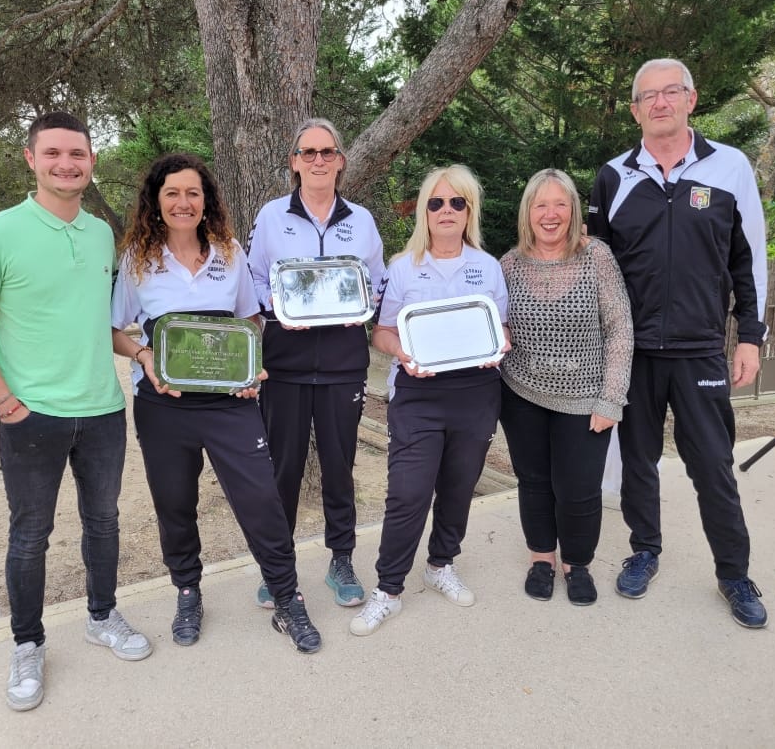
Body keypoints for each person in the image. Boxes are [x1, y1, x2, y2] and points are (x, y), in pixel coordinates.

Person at [0, 112, 151, 713]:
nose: (68, 164)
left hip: (104, 411)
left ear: (92, 162)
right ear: (30, 159)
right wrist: (7, 403)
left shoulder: (98, 237)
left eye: (79, 154)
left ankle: (102, 616)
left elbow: (103, 323)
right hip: (31, 416)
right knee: (30, 535)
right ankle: (28, 643)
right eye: (54, 153)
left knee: (104, 523)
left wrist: (143, 348)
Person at [110, 153, 322, 654]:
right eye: (172, 194)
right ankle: (187, 592)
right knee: (175, 505)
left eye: (193, 193)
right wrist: (143, 355)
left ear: (206, 202)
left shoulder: (229, 251)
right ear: (155, 202)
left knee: (261, 501)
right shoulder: (137, 259)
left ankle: (288, 598)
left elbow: (250, 321)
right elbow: (115, 331)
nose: (183, 202)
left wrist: (250, 372)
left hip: (231, 404)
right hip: (163, 408)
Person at [587, 58, 770, 628]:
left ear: (691, 100)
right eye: (649, 96)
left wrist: (751, 337)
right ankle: (645, 549)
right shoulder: (613, 177)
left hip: (699, 350)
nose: (660, 102)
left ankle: (734, 575)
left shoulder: (730, 168)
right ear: (636, 109)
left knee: (712, 465)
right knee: (638, 461)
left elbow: (749, 258)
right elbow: (596, 269)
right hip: (633, 353)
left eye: (672, 92)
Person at [350, 164, 510, 636]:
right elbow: (380, 332)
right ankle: (388, 589)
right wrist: (400, 349)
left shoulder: (488, 266)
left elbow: (500, 327)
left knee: (459, 487)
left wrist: (499, 344)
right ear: (424, 211)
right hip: (418, 393)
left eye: (456, 202)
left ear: (468, 211)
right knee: (408, 492)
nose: (446, 211)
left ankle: (441, 564)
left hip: (476, 392)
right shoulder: (402, 268)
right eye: (436, 203)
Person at [247, 118, 386, 609]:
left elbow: (377, 283)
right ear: (294, 162)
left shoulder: (362, 221)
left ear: (341, 161)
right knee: (281, 470)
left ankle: (341, 559)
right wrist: (281, 311)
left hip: (344, 365)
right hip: (284, 363)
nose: (319, 161)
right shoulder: (269, 218)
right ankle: (277, 567)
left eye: (327, 152)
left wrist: (362, 308)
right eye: (308, 153)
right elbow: (254, 281)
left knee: (339, 467)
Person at [498, 168, 633, 606]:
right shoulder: (509, 265)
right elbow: (494, 327)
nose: (550, 214)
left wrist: (612, 398)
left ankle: (577, 563)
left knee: (578, 489)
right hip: (521, 393)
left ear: (574, 210)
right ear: (528, 213)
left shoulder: (597, 256)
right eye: (541, 205)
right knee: (533, 481)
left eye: (560, 204)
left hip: (585, 397)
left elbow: (620, 328)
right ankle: (542, 559)